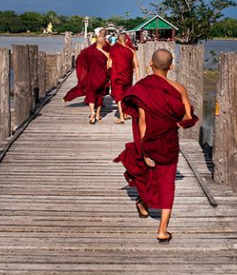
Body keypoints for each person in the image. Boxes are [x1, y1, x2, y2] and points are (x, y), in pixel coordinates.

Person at [114, 49, 197, 243]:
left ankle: (143, 203)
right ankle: (162, 230)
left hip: (150, 141)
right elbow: (187, 116)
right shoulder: (179, 88)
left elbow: (142, 121)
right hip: (169, 143)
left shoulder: (143, 88)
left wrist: (144, 149)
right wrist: (176, 123)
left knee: (148, 173)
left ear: (150, 64)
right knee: (167, 183)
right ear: (171, 67)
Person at [63, 35, 110, 124]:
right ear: (104, 43)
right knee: (100, 95)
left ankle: (92, 113)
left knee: (91, 94)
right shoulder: (107, 54)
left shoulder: (89, 51)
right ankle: (98, 114)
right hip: (102, 78)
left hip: (92, 77)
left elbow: (80, 59)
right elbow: (109, 67)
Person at [108, 33, 140, 124]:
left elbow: (109, 65)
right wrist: (138, 78)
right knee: (126, 94)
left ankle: (121, 117)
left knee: (119, 96)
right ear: (126, 40)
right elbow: (136, 66)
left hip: (117, 75)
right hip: (128, 76)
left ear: (117, 40)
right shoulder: (131, 51)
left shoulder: (113, 49)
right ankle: (126, 113)